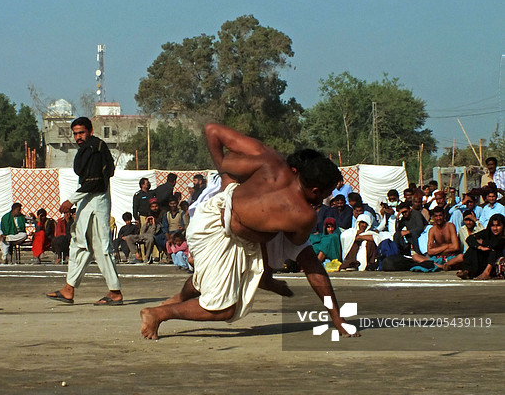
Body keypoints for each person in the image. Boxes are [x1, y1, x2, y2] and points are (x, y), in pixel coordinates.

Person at [140, 123, 359, 340]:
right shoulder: (304, 215)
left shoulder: (269, 160)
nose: (325, 199)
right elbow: (303, 252)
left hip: (218, 214)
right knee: (225, 310)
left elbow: (211, 130)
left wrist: (226, 175)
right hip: (215, 227)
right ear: (315, 190)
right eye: (326, 194)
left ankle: (177, 299)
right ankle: (159, 314)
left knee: (208, 278)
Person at [47, 116, 123, 306]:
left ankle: (115, 292)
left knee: (102, 248)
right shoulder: (88, 150)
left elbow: (96, 181)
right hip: (87, 202)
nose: (78, 137)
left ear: (90, 131)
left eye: (81, 132)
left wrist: (71, 200)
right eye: (75, 133)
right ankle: (69, 289)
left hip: (97, 204)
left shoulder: (95, 149)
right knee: (80, 246)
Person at [455, 214, 505, 280]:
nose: (495, 228)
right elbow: (470, 239)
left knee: (494, 250)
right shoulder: (487, 232)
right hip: (485, 261)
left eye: (498, 226)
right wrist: (479, 247)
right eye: (493, 226)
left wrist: (483, 242)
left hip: (498, 263)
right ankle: (467, 271)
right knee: (472, 249)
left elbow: (496, 244)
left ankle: (486, 273)